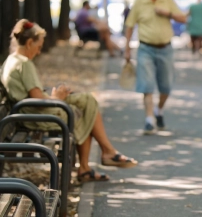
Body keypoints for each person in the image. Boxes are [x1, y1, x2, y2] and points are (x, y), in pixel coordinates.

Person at [0, 19, 138, 183]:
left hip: (29, 112)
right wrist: (56, 98)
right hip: (36, 115)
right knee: (84, 111)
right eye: (38, 47)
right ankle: (101, 156)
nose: (38, 52)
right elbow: (37, 97)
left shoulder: (11, 60)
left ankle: (99, 158)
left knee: (87, 101)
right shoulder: (24, 64)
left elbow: (33, 94)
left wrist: (56, 96)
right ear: (29, 43)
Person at [124, 0, 187, 135]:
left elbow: (183, 18)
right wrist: (127, 48)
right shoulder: (139, 2)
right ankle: (149, 119)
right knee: (147, 85)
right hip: (145, 49)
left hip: (165, 49)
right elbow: (130, 25)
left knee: (166, 87)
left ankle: (159, 111)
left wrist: (168, 13)